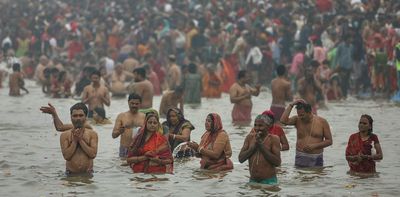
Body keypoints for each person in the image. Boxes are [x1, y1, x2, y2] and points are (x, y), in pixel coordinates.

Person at [280, 99, 332, 167]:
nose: (300, 117)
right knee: (301, 176)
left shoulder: (322, 122)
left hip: (316, 158)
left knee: (317, 176)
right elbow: (283, 120)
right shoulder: (297, 119)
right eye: (298, 115)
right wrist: (291, 105)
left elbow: (329, 141)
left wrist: (314, 146)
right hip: (300, 156)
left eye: (302, 115)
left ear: (309, 112)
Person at [239, 114, 281, 185]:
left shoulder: (273, 139)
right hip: (253, 181)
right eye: (255, 125)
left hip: (269, 181)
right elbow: (241, 159)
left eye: (260, 125)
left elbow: (277, 162)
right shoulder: (249, 138)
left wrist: (261, 146)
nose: (257, 128)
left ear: (269, 126)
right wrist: (253, 148)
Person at [59, 103, 98, 175]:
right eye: (75, 116)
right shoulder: (64, 135)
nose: (78, 118)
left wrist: (80, 140)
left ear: (86, 117)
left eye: (81, 115)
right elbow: (67, 156)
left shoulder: (92, 134)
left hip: (88, 174)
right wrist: (74, 141)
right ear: (71, 117)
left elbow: (93, 154)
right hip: (70, 174)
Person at [112, 93, 146, 158]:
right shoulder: (121, 116)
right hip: (124, 149)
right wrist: (120, 131)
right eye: (132, 103)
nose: (134, 105)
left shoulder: (144, 117)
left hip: (139, 149)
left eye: (136, 104)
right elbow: (113, 135)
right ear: (128, 102)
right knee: (122, 167)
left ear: (140, 104)